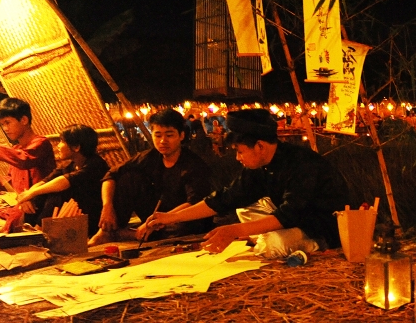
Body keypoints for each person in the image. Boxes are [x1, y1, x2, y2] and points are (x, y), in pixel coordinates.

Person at [145, 108, 350, 259]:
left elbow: (289, 214)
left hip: (321, 226)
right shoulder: (260, 166)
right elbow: (224, 198)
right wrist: (171, 217)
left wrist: (234, 230)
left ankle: (314, 245)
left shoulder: (302, 164)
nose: (237, 158)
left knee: (274, 245)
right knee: (243, 208)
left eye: (240, 151)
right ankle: (262, 237)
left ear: (260, 146)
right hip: (290, 219)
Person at [87, 108, 213, 246]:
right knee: (128, 177)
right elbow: (110, 175)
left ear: (181, 136)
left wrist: (159, 220)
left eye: (169, 135)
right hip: (155, 216)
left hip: (180, 218)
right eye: (158, 135)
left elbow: (194, 203)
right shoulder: (149, 157)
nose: (163, 141)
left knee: (183, 229)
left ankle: (132, 234)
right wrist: (107, 207)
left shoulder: (193, 164)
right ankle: (106, 233)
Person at [16, 124, 109, 236]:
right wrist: (28, 196)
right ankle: (30, 230)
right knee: (38, 195)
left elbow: (63, 182)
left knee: (57, 193)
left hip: (92, 219)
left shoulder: (95, 164)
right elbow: (44, 182)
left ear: (76, 147)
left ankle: (39, 231)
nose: (58, 145)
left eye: (62, 141)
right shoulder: (71, 165)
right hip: (73, 216)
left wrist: (30, 193)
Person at [0, 98, 56, 202]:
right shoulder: (16, 149)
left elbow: (24, 160)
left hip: (41, 203)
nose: (5, 129)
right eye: (2, 124)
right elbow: (13, 183)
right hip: (23, 204)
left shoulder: (41, 143)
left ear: (24, 120)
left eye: (7, 122)